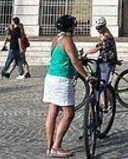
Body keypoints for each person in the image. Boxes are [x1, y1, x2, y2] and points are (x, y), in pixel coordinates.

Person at [43, 14, 89, 158]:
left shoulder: (56, 39)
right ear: (70, 27)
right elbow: (75, 62)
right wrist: (87, 76)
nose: (76, 27)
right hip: (62, 79)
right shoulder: (68, 40)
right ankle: (57, 146)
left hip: (51, 76)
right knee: (69, 113)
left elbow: (59, 57)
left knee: (53, 111)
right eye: (74, 25)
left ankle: (49, 146)